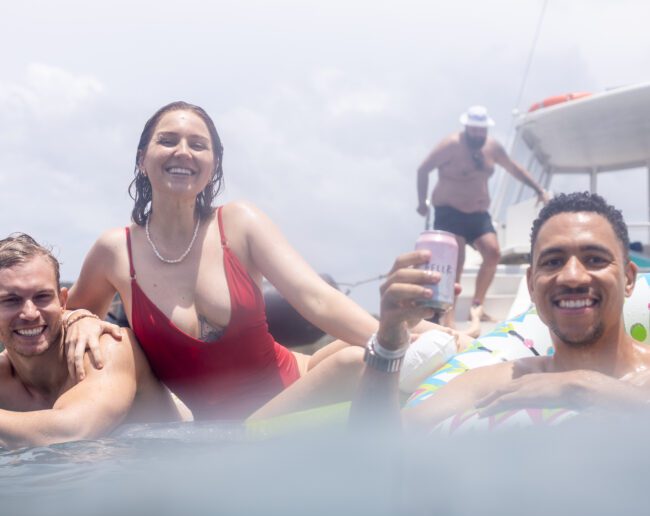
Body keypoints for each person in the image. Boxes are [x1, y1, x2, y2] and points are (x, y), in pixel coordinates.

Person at [65, 101, 455, 421]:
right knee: (356, 362)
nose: (183, 151)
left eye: (198, 145)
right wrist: (80, 318)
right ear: (141, 159)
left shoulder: (238, 223)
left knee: (429, 343)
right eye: (168, 140)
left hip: (301, 384)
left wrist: (406, 335)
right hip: (230, 425)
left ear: (214, 164)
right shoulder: (114, 252)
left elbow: (315, 298)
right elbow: (71, 318)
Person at [352, 192, 650, 434]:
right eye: (553, 262)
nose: (572, 277)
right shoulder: (498, 382)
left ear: (628, 279)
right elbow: (379, 448)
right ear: (531, 286)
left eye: (595, 259)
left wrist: (580, 385)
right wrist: (389, 339)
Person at [0, 234, 185, 450]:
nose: (30, 313)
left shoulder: (108, 346)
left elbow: (72, 432)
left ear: (62, 301)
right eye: (11, 300)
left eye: (42, 297)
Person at [416, 105, 550, 333]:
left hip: (477, 214)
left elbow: (513, 168)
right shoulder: (450, 145)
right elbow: (423, 169)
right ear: (467, 127)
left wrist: (538, 188)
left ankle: (476, 306)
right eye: (474, 129)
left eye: (482, 130)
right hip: (450, 212)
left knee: (493, 253)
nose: (478, 134)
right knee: (456, 262)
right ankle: (448, 317)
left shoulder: (492, 147)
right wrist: (421, 202)